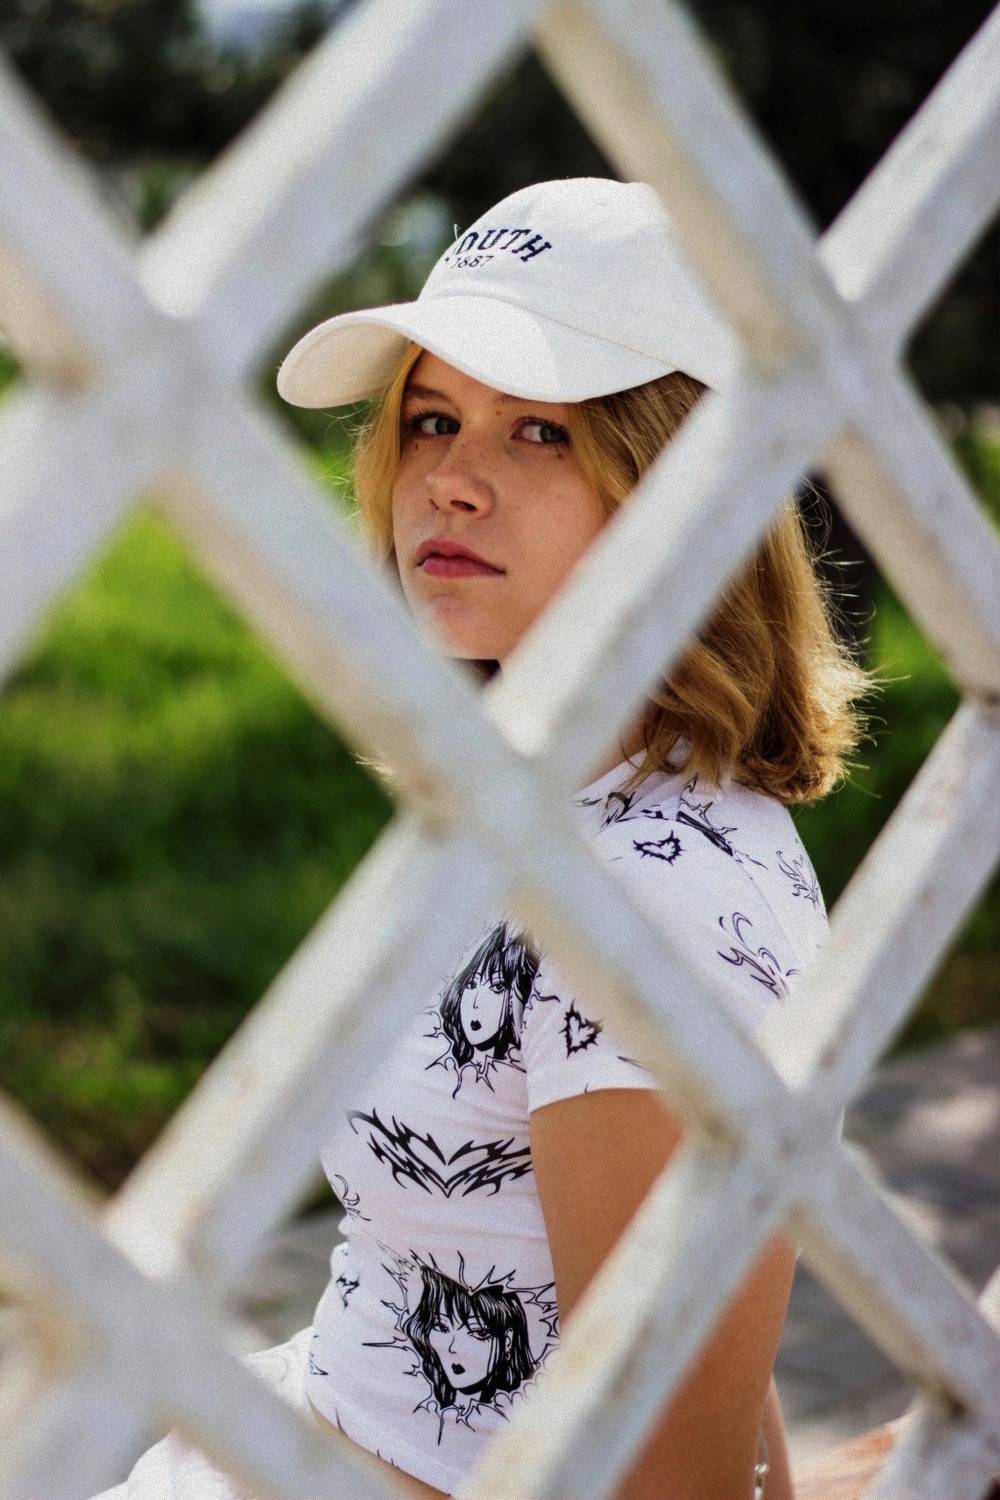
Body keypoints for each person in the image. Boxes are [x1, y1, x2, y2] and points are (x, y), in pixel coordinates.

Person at [96, 177, 869, 1500]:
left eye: (543, 432)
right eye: (434, 418)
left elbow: (667, 1472)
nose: (449, 482)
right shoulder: (537, 800)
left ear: (686, 482)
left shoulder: (654, 906)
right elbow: (699, 1343)